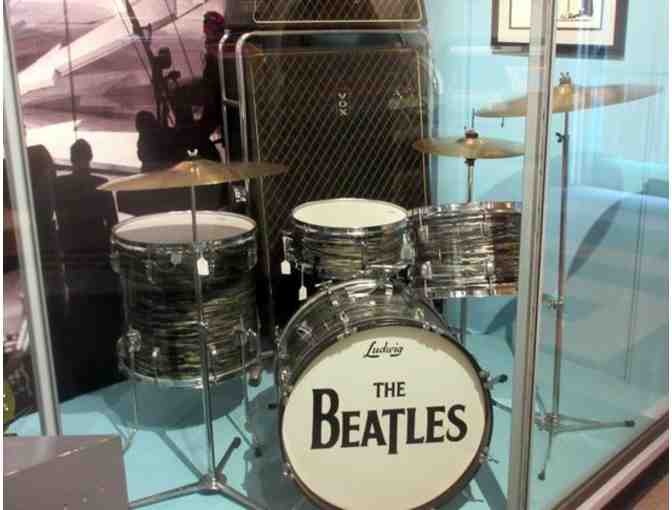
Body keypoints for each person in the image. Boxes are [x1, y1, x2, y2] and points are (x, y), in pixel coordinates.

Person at [54, 139, 122, 397]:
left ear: (72, 159)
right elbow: (112, 223)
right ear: (90, 157)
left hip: (73, 255)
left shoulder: (59, 186)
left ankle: (83, 360)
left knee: (80, 307)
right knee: (102, 310)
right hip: (97, 254)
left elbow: (58, 219)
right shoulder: (101, 184)